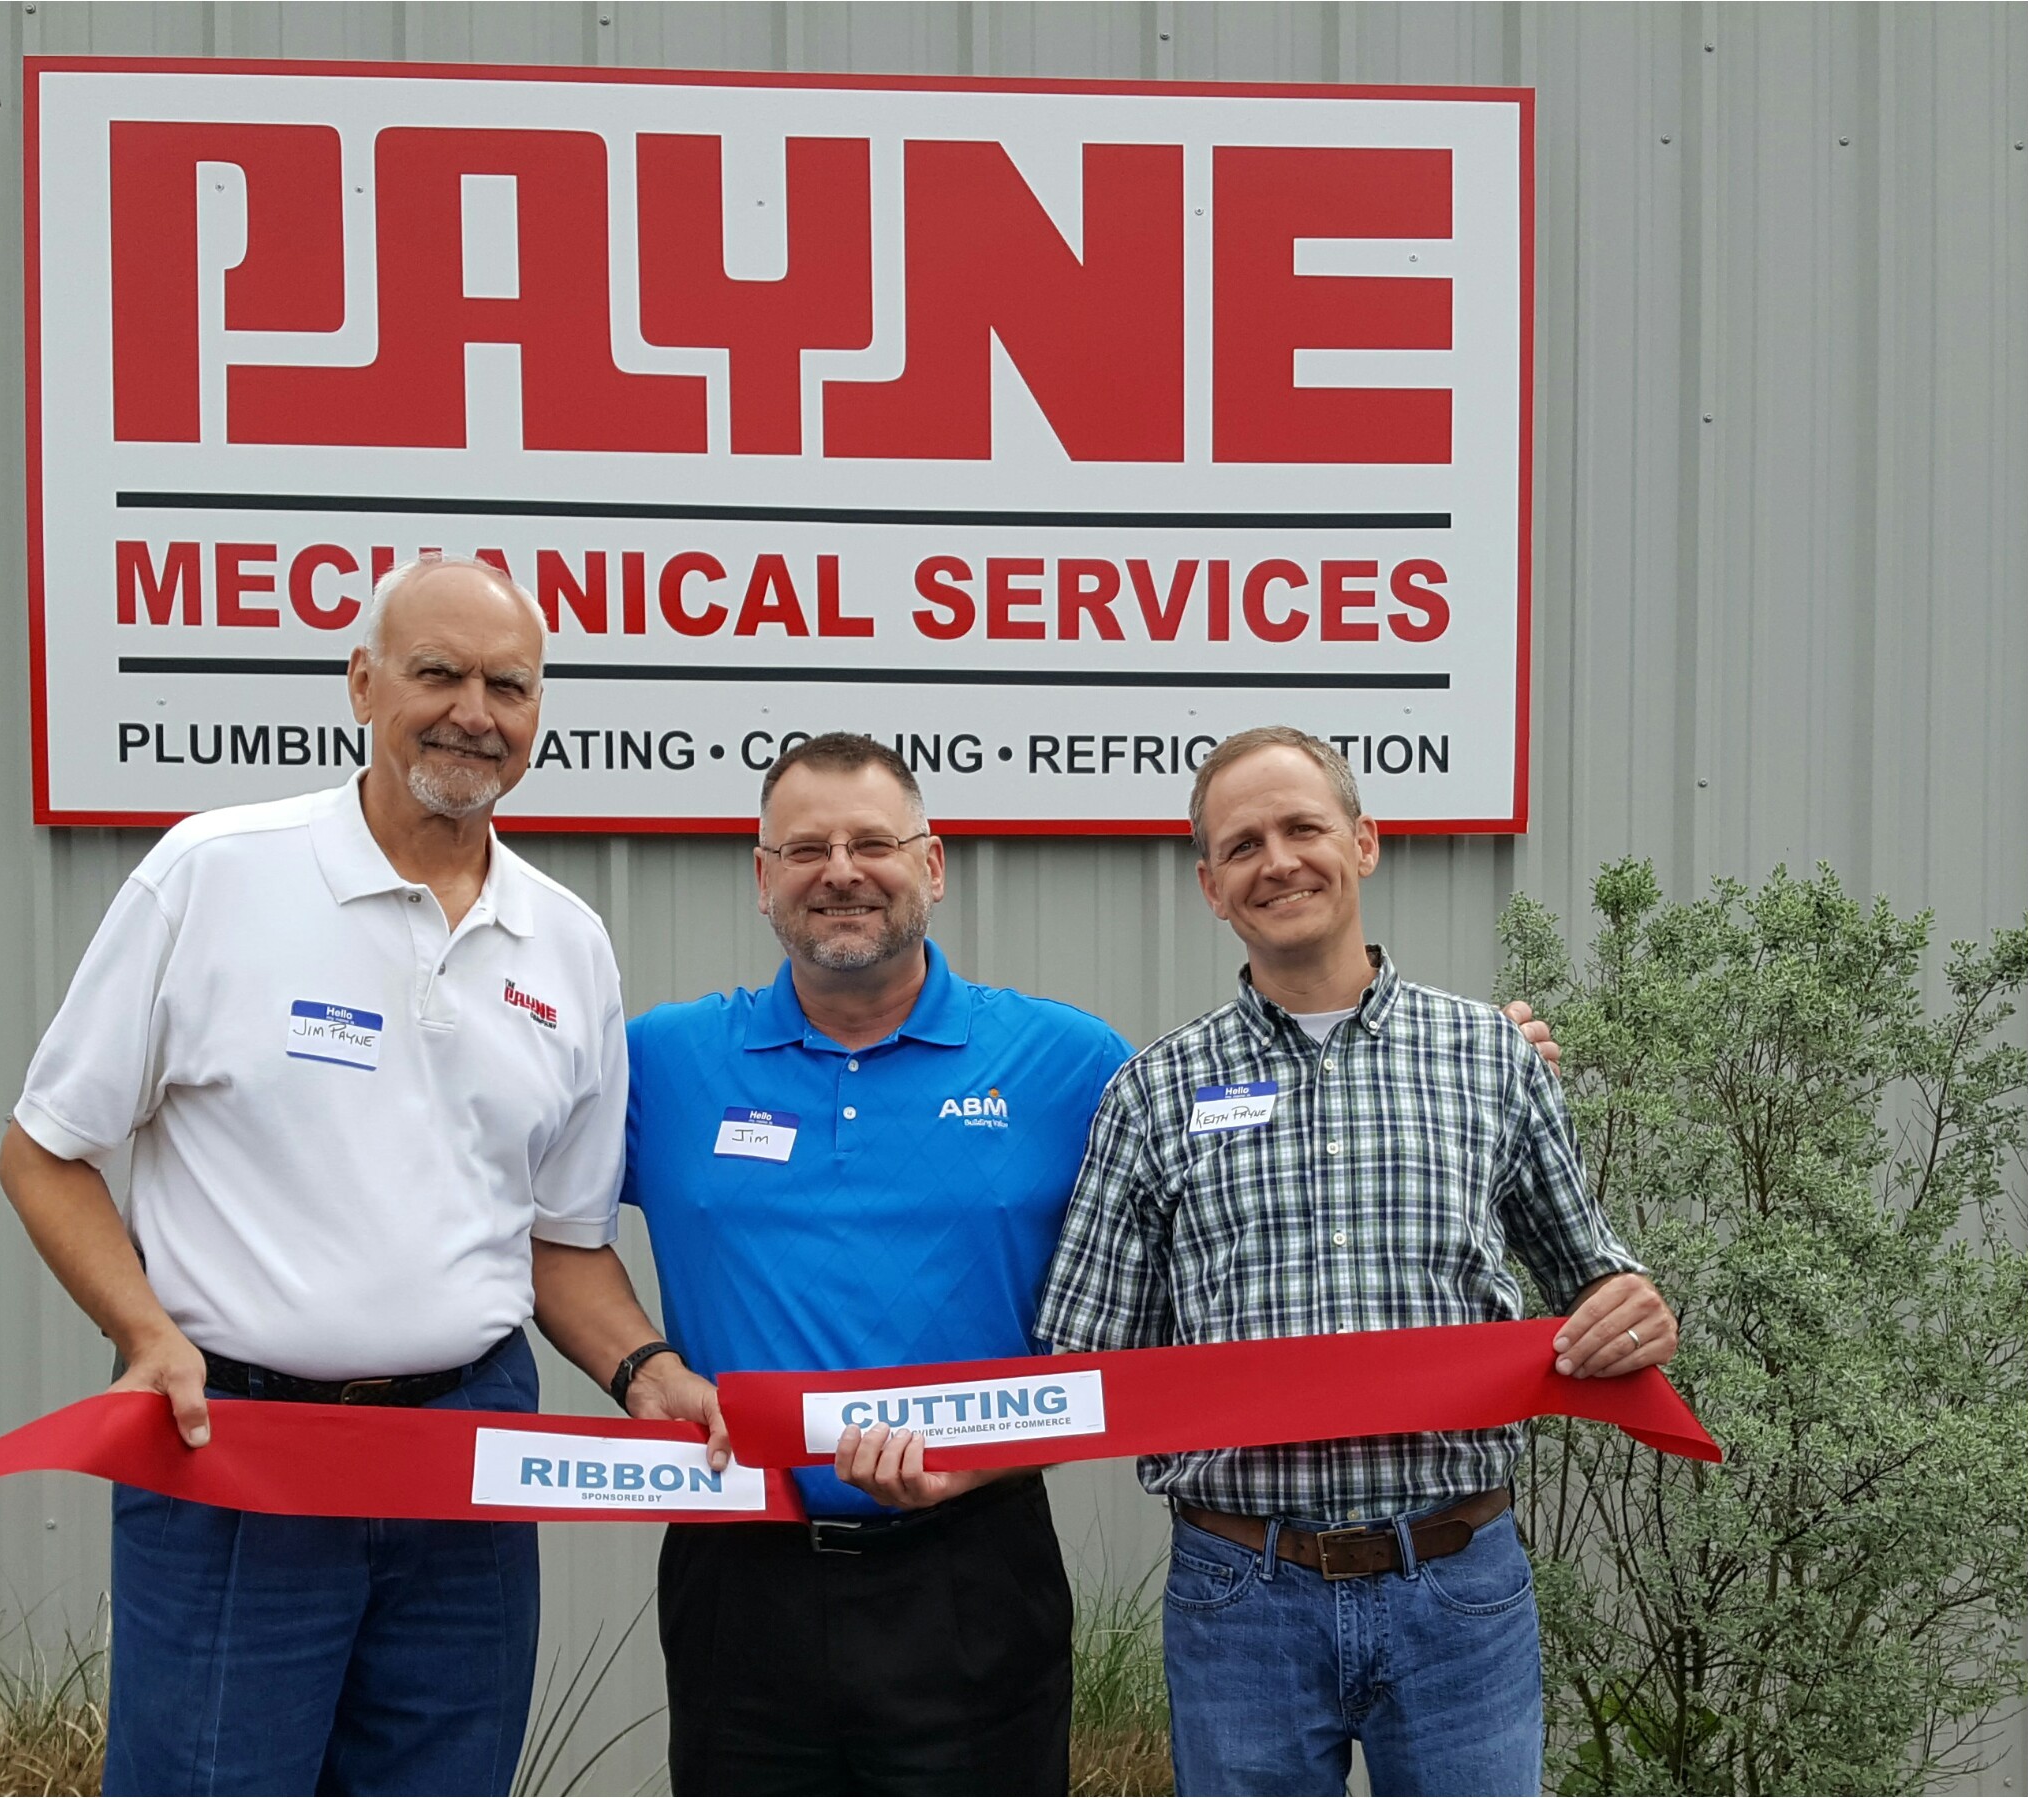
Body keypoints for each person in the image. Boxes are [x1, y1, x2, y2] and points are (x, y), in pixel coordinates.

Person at [621, 732, 1565, 1797]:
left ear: (929, 864)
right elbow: (529, 1209)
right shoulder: (661, 1058)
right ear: (762, 877)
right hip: (740, 1564)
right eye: (806, 849)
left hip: (973, 1563)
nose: (841, 870)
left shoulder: (1072, 1062)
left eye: (873, 842)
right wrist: (640, 1365)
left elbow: (1250, 1135)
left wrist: (1465, 1057)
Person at [0, 556, 721, 1797]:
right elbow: (44, 1150)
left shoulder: (567, 942)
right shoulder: (212, 874)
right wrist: (143, 1333)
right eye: (437, 673)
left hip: (468, 1451)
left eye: (509, 684)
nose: (473, 712)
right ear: (359, 683)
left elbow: (557, 1238)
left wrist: (642, 1371)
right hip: (239, 1443)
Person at [1035, 726, 1679, 1798]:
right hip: (1240, 1590)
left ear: (1364, 841)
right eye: (1241, 845)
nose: (1275, 860)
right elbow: (1076, 1353)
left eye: (1301, 827)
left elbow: (1595, 1275)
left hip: (1457, 1587)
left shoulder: (1487, 1059)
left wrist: (1632, 1307)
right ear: (1209, 885)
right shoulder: (1149, 1095)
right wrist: (930, 1430)